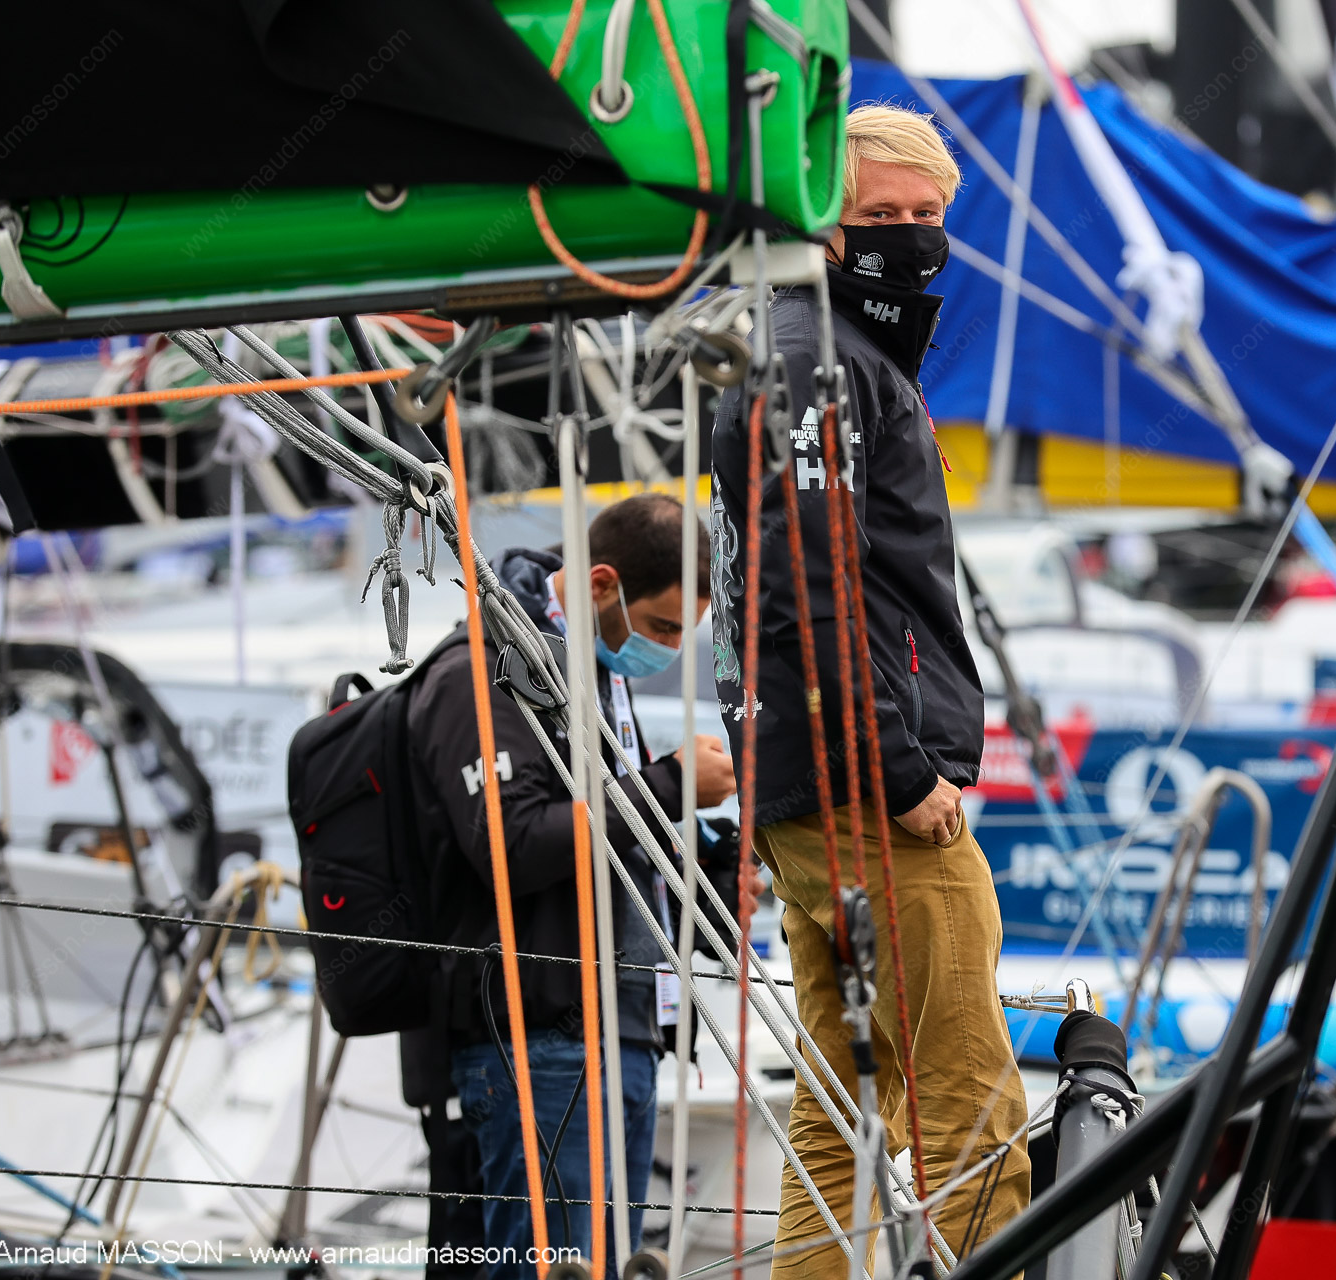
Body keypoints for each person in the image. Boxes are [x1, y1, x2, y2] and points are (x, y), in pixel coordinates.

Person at [707, 105, 1029, 1274]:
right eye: (881, 212)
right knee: (966, 1096)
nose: (910, 233)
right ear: (823, 224)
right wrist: (899, 769)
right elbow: (813, 582)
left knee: (840, 1105)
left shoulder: (797, 342)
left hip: (805, 783)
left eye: (927, 212)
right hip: (866, 792)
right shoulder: (819, 356)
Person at [407, 492, 745, 1272]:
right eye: (663, 627)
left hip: (620, 1033)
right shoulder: (486, 668)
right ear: (601, 585)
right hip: (542, 1039)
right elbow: (512, 844)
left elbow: (609, 853)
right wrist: (669, 784)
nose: (670, 650)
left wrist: (714, 873)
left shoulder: (596, 675)